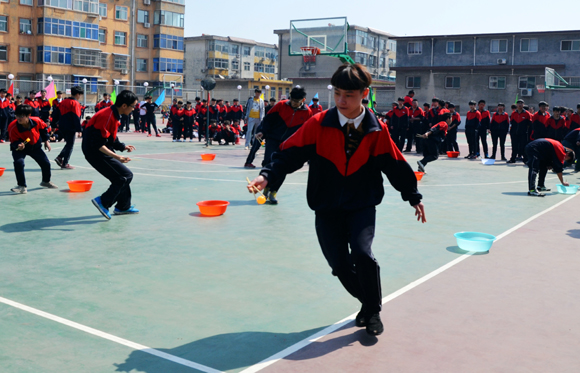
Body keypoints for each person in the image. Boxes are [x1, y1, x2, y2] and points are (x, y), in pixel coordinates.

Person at [248, 63, 426, 336]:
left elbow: (394, 163)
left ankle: (373, 311)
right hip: (326, 206)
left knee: (363, 254)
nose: (342, 101)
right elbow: (289, 154)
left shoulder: (376, 129)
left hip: (362, 204)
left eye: (349, 95)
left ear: (364, 93)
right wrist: (267, 176)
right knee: (340, 266)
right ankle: (368, 304)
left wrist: (412, 195)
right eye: (338, 93)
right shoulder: (318, 124)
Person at [83, 90, 139, 220]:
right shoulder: (107, 115)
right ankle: (103, 201)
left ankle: (123, 206)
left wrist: (122, 147)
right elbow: (97, 144)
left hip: (100, 149)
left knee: (122, 176)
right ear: (124, 106)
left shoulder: (113, 114)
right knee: (125, 176)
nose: (133, 109)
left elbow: (110, 136)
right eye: (133, 106)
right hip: (95, 152)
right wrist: (117, 157)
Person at [258, 87, 313, 204]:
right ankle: (266, 186)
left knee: (282, 167)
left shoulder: (307, 112)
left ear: (303, 100)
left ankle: (273, 191)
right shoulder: (281, 105)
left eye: (297, 102)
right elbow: (268, 120)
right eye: (292, 100)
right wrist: (262, 131)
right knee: (268, 162)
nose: (294, 103)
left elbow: (307, 130)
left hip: (289, 144)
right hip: (273, 140)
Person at [8, 104, 58, 194]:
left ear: (28, 116)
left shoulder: (37, 121)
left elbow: (43, 129)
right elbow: (13, 141)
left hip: (35, 147)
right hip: (20, 148)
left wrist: (46, 140)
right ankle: (22, 186)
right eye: (17, 115)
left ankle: (46, 182)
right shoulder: (12, 126)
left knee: (46, 163)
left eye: (21, 116)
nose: (19, 118)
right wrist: (18, 145)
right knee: (19, 163)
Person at [54, 86, 83, 170]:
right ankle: (65, 162)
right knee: (70, 145)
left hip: (62, 126)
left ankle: (60, 158)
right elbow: (76, 117)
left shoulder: (63, 102)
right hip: (70, 127)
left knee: (68, 143)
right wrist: (79, 130)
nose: (80, 96)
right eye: (80, 94)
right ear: (77, 94)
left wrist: (53, 125)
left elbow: (56, 114)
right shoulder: (75, 103)